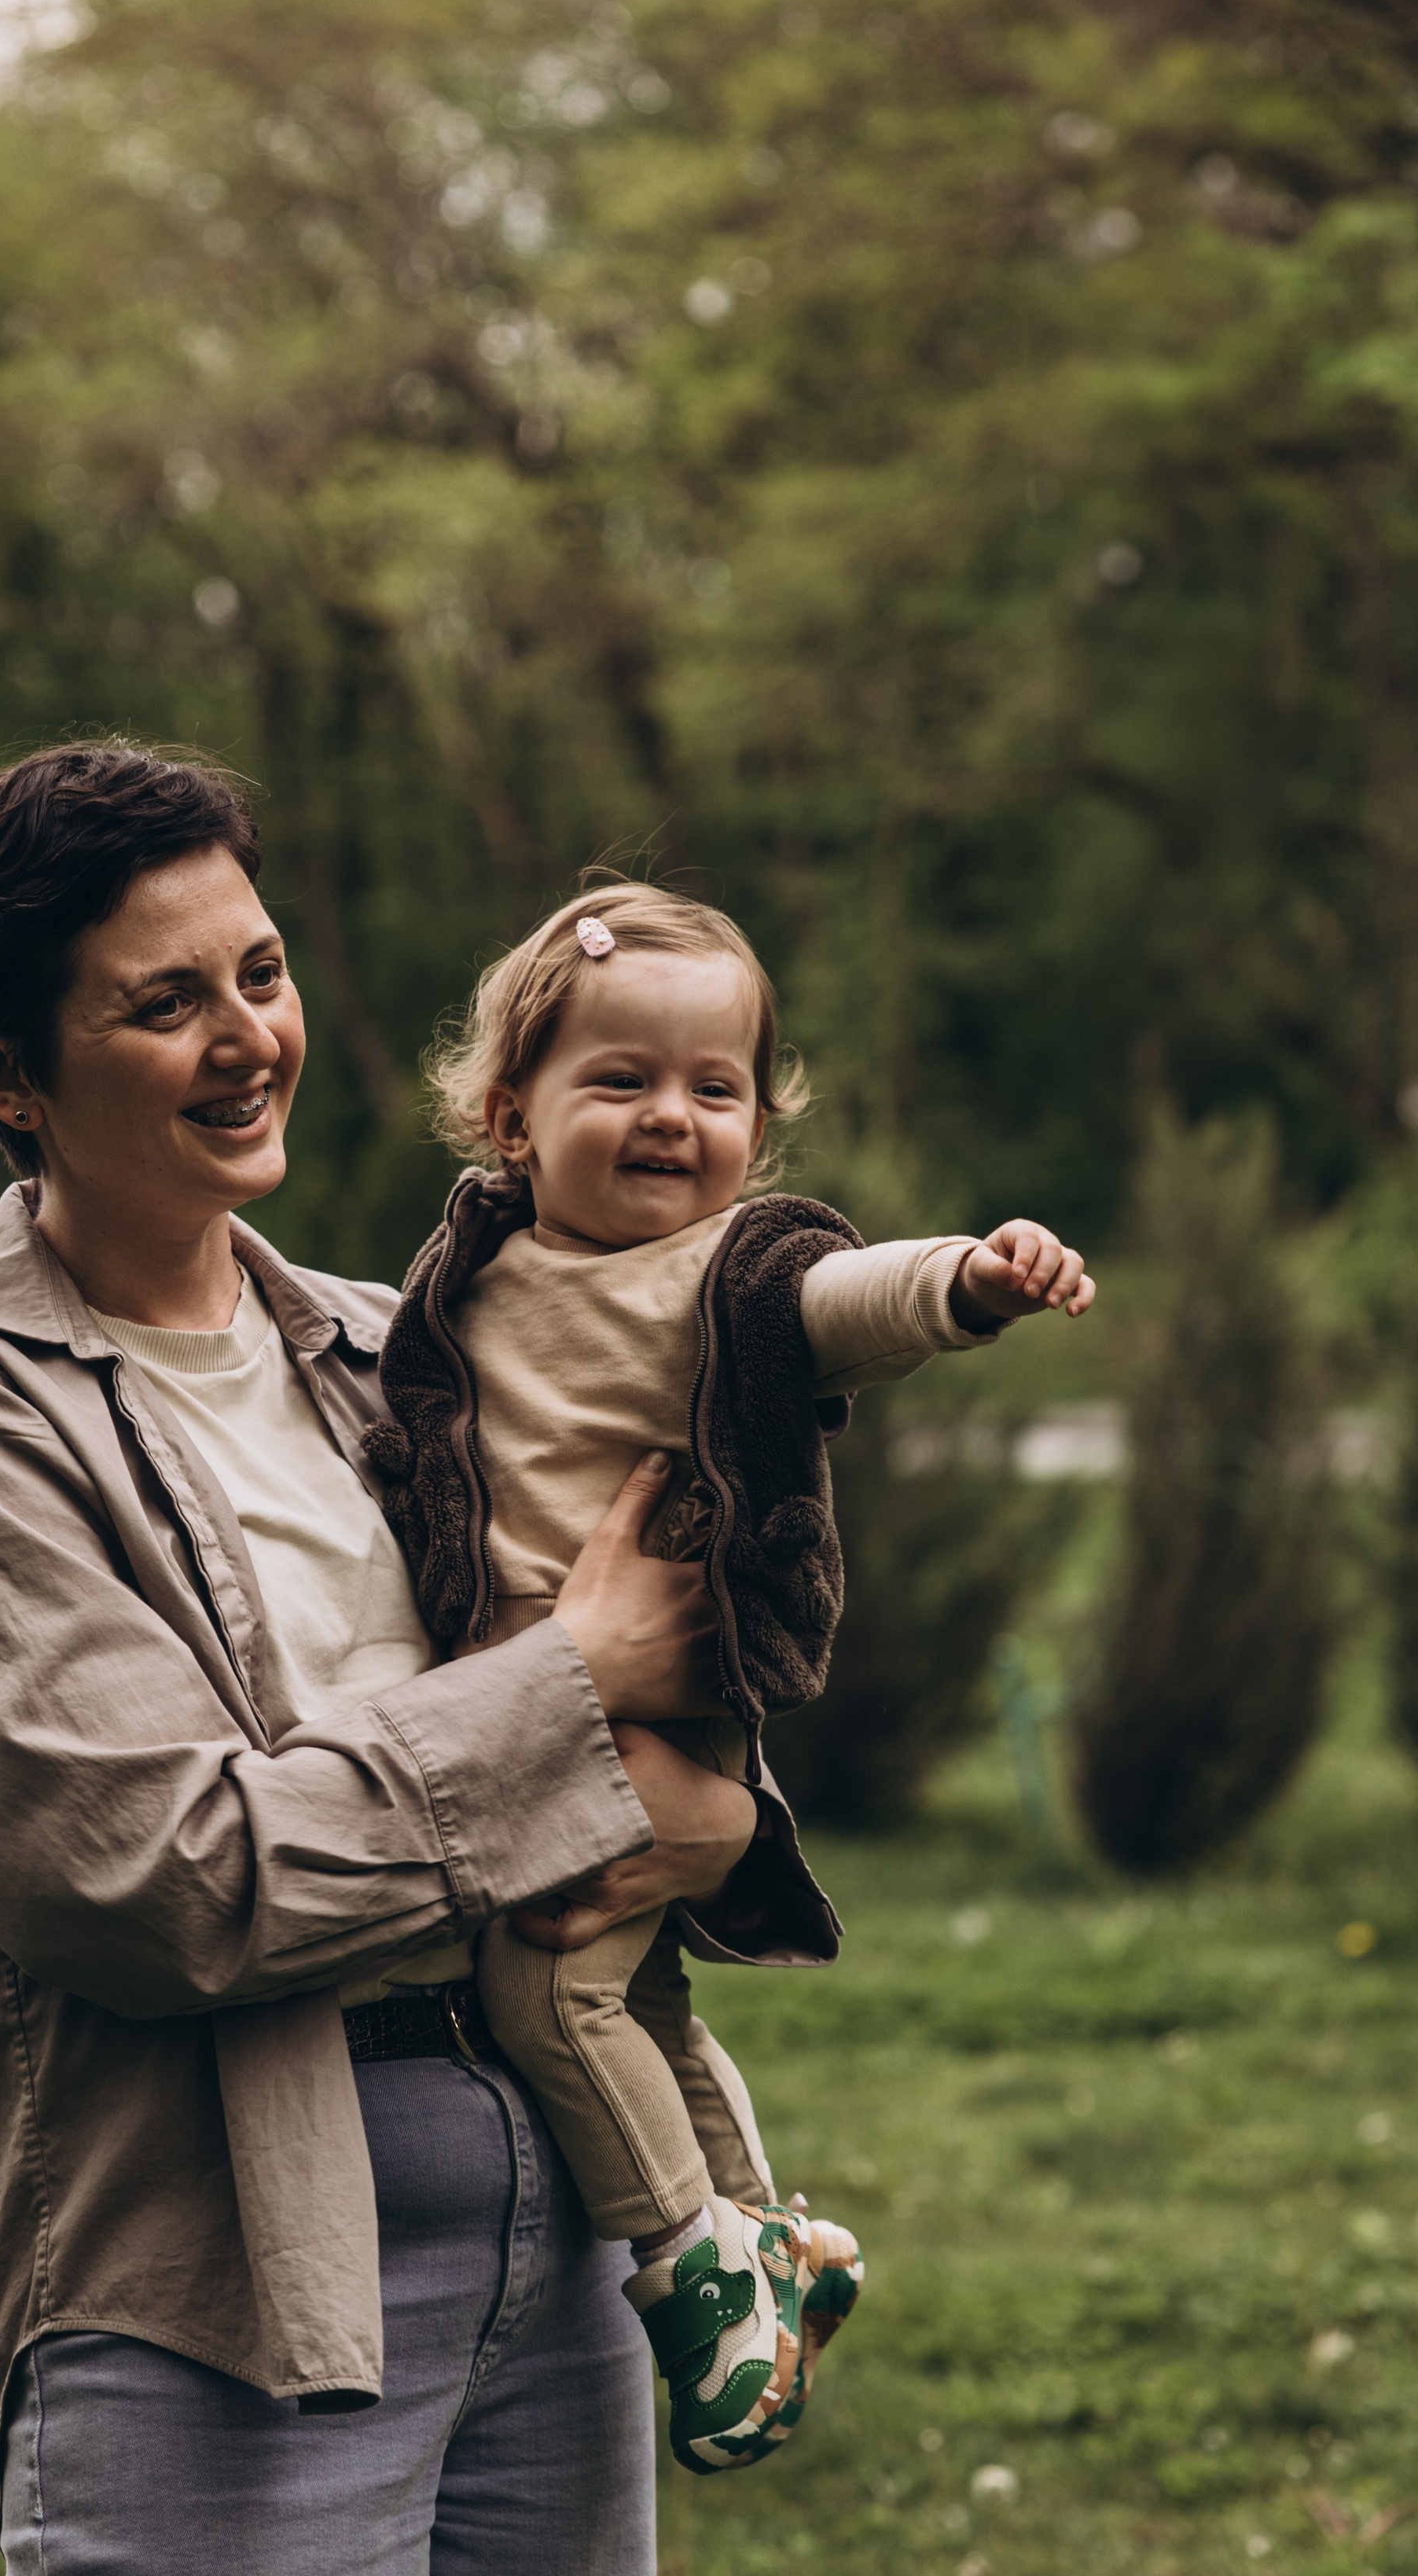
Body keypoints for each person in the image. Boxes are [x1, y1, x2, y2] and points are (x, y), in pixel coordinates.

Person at [0, 747, 833, 2576]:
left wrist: (671, 1784)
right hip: (218, 2282)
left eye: (257, 974)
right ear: (12, 1071)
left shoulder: (402, 1354)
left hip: (556, 2242)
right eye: (159, 1002)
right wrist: (579, 1684)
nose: (242, 1039)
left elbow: (691, 1784)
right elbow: (172, 1877)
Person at [363, 883, 1093, 2474]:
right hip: (547, 1722)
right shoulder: (468, 1277)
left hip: (650, 1742)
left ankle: (692, 2274)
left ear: (757, 1127)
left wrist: (965, 1284)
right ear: (507, 1115)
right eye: (616, 1080)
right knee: (637, 1997)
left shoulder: (727, 1282)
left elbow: (845, 1307)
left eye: (713, 1089)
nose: (667, 1118)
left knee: (543, 1984)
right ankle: (772, 2238)